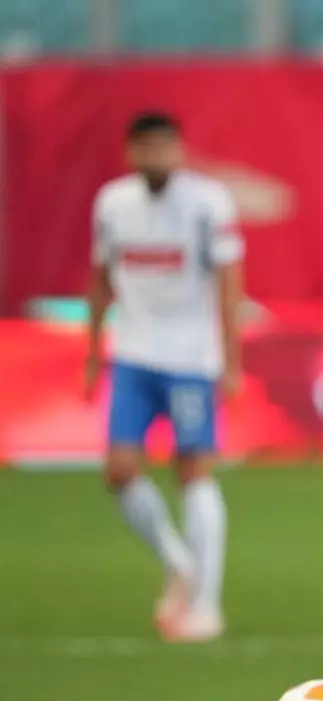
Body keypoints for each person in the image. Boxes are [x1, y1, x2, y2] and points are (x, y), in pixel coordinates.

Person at [84, 111, 244, 642]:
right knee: (119, 470)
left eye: (166, 147)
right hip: (132, 354)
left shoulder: (207, 203)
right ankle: (178, 563)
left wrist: (231, 361)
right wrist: (92, 353)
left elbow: (229, 282)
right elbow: (101, 279)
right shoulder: (112, 203)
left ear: (179, 150)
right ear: (131, 152)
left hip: (189, 359)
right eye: (147, 148)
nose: (157, 157)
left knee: (193, 470)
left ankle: (206, 606)